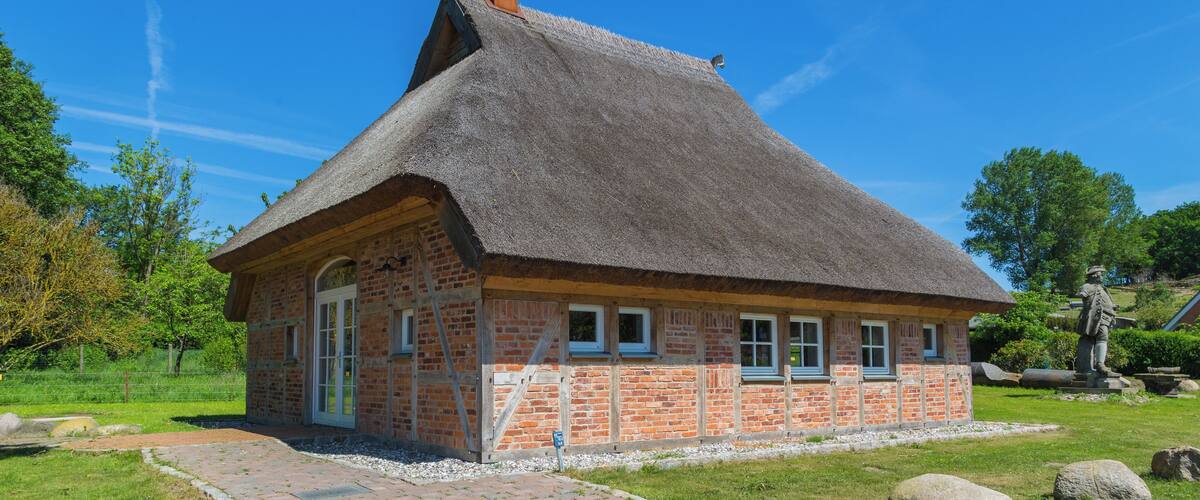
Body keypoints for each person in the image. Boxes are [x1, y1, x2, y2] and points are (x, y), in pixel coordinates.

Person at [1075, 265, 1116, 376]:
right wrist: (1083, 294)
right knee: (1101, 336)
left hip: (1105, 317)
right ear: (1094, 275)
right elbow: (1083, 294)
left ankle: (1100, 364)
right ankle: (1099, 365)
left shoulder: (1103, 289)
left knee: (1102, 337)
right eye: (1100, 274)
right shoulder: (1087, 286)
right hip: (1093, 318)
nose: (1101, 276)